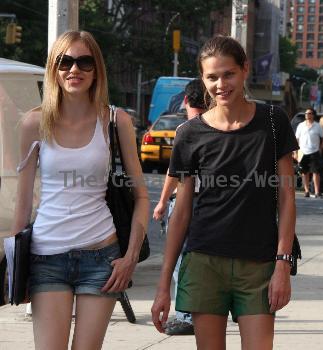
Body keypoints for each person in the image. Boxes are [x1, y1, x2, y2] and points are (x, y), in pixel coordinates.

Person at [151, 35, 297, 350]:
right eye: (212, 77)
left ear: (244, 69)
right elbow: (182, 212)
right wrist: (164, 285)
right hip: (204, 262)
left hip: (258, 264)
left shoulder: (272, 121)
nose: (221, 84)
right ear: (203, 79)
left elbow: (286, 199)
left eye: (228, 74)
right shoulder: (189, 134)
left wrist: (282, 264)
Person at [11, 30, 149, 349]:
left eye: (84, 62)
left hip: (101, 256)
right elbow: (23, 200)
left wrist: (130, 257)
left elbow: (141, 196)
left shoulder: (116, 121)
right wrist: (17, 266)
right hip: (46, 257)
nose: (74, 70)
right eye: (65, 62)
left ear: (96, 69)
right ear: (54, 69)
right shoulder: (34, 123)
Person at [153, 78, 206, 335]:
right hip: (210, 206)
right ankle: (198, 312)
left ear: (186, 100)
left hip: (186, 205)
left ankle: (186, 315)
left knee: (178, 261)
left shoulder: (186, 129)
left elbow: (175, 174)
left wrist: (162, 201)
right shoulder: (215, 126)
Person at [295, 108, 323, 198]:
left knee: (316, 172)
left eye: (309, 113)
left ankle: (317, 192)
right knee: (304, 173)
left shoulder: (317, 126)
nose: (307, 115)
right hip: (303, 152)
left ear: (313, 115)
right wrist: (295, 152)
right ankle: (307, 191)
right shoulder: (300, 125)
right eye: (306, 113)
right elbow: (296, 139)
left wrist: (321, 147)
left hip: (314, 151)